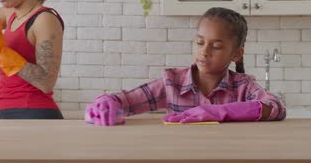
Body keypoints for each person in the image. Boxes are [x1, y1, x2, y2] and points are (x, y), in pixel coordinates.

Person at [85, 7, 286, 125]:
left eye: (216, 46)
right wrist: (106, 102)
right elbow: (127, 101)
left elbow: (276, 108)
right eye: (199, 43)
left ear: (236, 54)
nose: (204, 51)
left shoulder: (244, 86)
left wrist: (221, 112)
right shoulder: (172, 83)